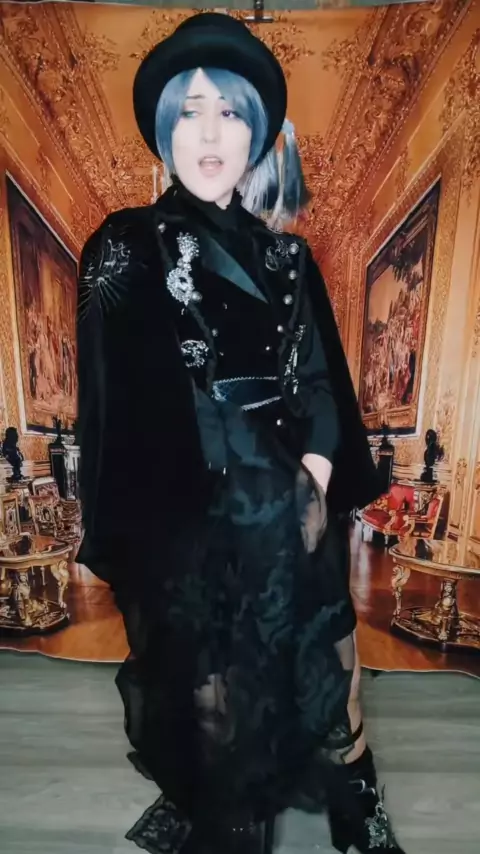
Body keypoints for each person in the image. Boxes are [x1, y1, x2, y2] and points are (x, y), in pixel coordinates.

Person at [76, 12, 406, 854]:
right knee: (218, 701)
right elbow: (116, 403)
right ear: (164, 131)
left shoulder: (290, 260)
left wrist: (318, 474)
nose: (210, 133)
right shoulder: (125, 244)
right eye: (189, 111)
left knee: (334, 678)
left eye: (230, 112)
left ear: (257, 133)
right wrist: (152, 533)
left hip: (294, 506)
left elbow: (322, 383)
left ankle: (358, 810)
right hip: (195, 518)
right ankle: (221, 819)